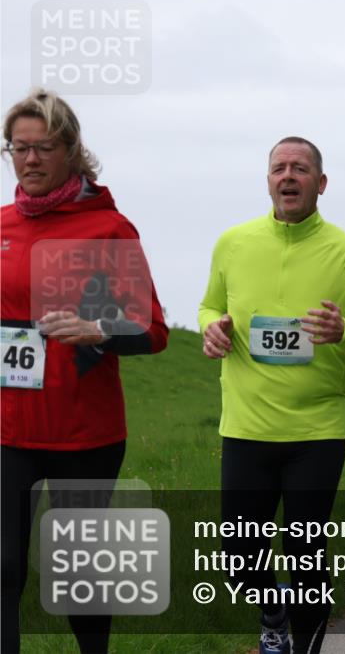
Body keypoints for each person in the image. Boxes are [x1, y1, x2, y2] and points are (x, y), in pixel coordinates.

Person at [198, 136, 345, 654]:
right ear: (268, 180)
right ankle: (273, 610)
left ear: (321, 184)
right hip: (246, 427)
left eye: (301, 168)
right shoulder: (233, 243)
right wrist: (211, 329)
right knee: (240, 560)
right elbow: (207, 308)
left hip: (317, 430)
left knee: (306, 550)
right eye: (279, 168)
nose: (289, 176)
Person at [1, 89, 168, 653]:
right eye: (17, 148)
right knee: (3, 568)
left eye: (42, 147)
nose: (28, 159)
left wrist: (100, 330)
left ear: (71, 150)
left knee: (79, 581)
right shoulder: (1, 227)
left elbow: (153, 332)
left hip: (84, 434)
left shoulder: (108, 229)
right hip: (9, 432)